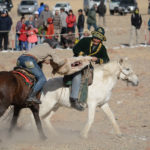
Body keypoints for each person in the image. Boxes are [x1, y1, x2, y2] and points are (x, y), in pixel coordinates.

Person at [69, 27, 110, 111]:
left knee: (90, 78)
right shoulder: (85, 40)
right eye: (95, 37)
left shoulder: (102, 48)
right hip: (78, 61)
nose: (96, 40)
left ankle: (85, 99)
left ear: (101, 39)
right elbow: (75, 49)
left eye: (98, 39)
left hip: (88, 65)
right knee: (77, 77)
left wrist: (97, 59)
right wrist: (84, 55)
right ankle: (74, 99)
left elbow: (106, 59)